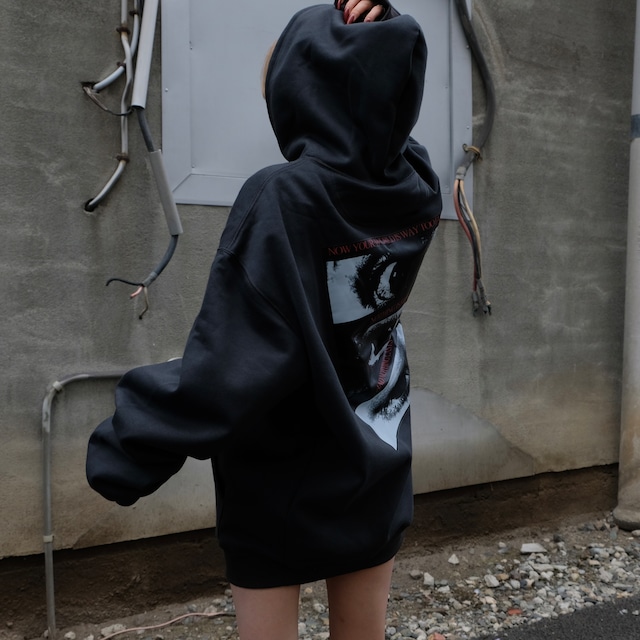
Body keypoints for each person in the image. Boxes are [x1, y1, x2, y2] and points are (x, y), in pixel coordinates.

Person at [86, 2, 442, 639]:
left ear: (301, 92)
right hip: (376, 462)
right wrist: (387, 37)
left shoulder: (283, 195)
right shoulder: (414, 188)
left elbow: (230, 363)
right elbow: (390, 122)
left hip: (278, 480)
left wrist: (129, 445)